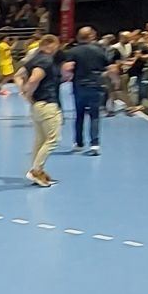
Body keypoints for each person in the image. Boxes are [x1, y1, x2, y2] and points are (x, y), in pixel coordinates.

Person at [21, 33, 63, 187]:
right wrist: (28, 93)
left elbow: (19, 75)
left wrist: (27, 96)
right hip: (47, 104)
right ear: (51, 44)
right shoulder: (46, 60)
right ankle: (36, 170)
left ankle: (39, 171)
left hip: (37, 105)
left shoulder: (33, 59)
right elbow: (33, 79)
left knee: (40, 140)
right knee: (53, 140)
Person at [66, 26, 109, 155]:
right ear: (92, 36)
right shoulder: (100, 51)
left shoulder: (73, 51)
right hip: (96, 86)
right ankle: (94, 144)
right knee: (94, 115)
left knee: (79, 115)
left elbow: (68, 68)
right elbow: (107, 67)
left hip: (79, 86)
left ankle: (79, 143)